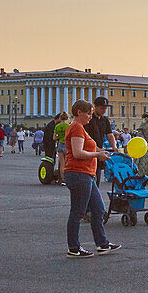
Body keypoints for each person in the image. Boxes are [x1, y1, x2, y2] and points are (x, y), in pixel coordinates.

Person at [64, 100, 120, 258]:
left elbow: (90, 147)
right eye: (88, 113)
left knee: (98, 209)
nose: (90, 116)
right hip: (78, 173)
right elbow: (77, 153)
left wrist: (102, 152)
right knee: (77, 212)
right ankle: (73, 248)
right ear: (79, 112)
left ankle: (102, 244)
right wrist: (98, 154)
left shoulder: (80, 128)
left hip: (86, 174)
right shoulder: (75, 128)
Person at [85, 96, 118, 183]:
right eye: (102, 108)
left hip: (98, 155)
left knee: (97, 180)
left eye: (105, 108)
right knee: (89, 180)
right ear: (95, 107)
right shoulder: (89, 119)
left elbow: (109, 134)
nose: (104, 110)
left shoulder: (105, 120)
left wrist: (114, 146)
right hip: (88, 153)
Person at [54, 113, 71, 183]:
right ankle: (67, 179)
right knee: (67, 163)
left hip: (60, 144)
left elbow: (54, 137)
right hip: (67, 145)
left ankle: (62, 179)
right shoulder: (69, 126)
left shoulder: (57, 126)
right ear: (67, 118)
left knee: (62, 163)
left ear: (60, 118)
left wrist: (59, 137)